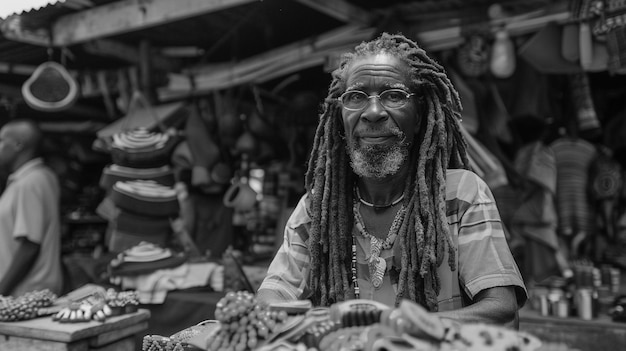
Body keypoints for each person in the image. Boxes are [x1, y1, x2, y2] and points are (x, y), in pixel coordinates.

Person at [257, 33, 527, 327]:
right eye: (356, 97)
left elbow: (501, 308)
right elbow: (272, 296)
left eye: (394, 95)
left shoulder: (461, 194)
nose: (373, 112)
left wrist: (394, 323)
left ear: (420, 114)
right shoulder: (317, 208)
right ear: (339, 118)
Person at [0, 119, 63, 297]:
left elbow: (30, 245)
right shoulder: (33, 179)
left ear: (19, 144)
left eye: (1, 141)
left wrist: (1, 291)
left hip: (24, 294)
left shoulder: (31, 182)